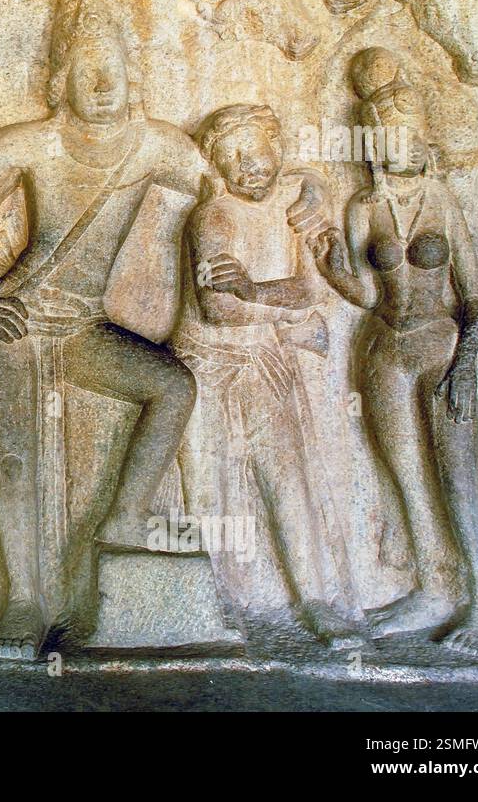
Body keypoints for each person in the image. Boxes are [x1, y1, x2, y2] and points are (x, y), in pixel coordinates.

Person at [0, 0, 205, 659]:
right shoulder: (25, 145)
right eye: (89, 72)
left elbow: (214, 196)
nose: (105, 85)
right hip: (15, 322)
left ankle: (121, 526)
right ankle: (21, 602)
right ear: (61, 83)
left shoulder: (159, 146)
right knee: (14, 464)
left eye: (114, 69)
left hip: (85, 325)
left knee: (172, 386)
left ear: (133, 76)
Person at [308, 47, 478, 657]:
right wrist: (331, 268)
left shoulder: (443, 202)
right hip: (385, 347)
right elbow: (370, 294)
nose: (393, 143)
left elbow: (476, 296)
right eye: (381, 133)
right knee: (408, 480)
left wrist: (467, 366)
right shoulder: (362, 208)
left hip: (442, 343)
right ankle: (432, 590)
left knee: (457, 477)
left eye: (403, 130)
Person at [174, 104, 363, 646]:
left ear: (277, 148)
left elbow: (312, 287)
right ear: (217, 166)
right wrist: (289, 318)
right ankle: (223, 605)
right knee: (211, 490)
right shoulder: (212, 216)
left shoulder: (293, 212)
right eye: (232, 156)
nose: (247, 164)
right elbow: (218, 310)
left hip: (265, 360)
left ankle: (317, 600)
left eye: (254, 148)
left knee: (288, 481)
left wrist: (257, 292)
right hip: (209, 363)